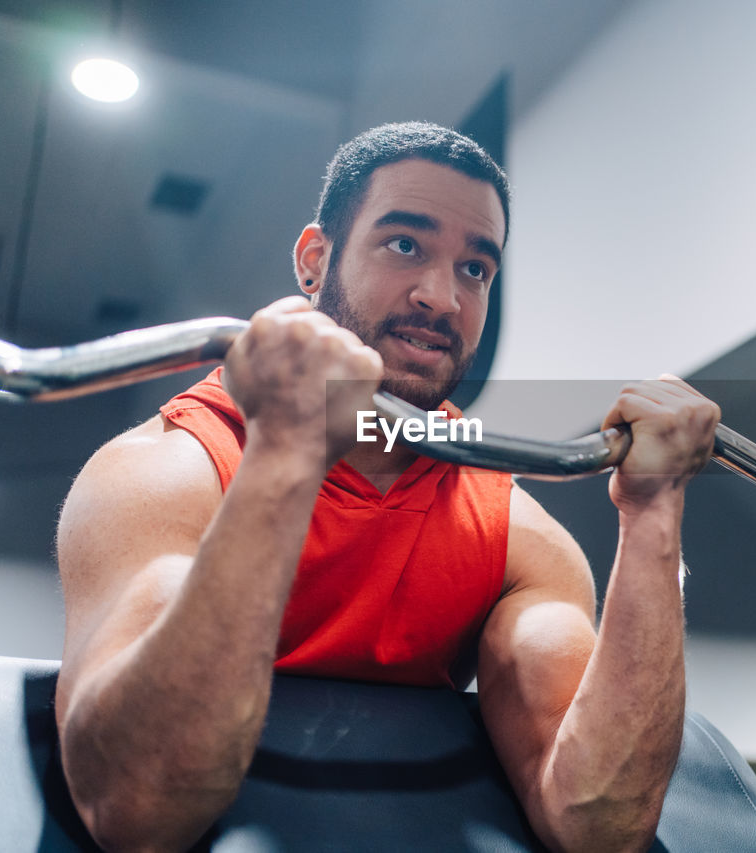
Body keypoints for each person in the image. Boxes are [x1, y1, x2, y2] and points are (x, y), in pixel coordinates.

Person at [53, 121, 720, 852]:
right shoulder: (169, 474)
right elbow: (136, 809)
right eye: (405, 244)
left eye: (476, 269)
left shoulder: (513, 537)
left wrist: (654, 511)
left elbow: (599, 824)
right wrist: (287, 448)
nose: (442, 297)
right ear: (315, 260)